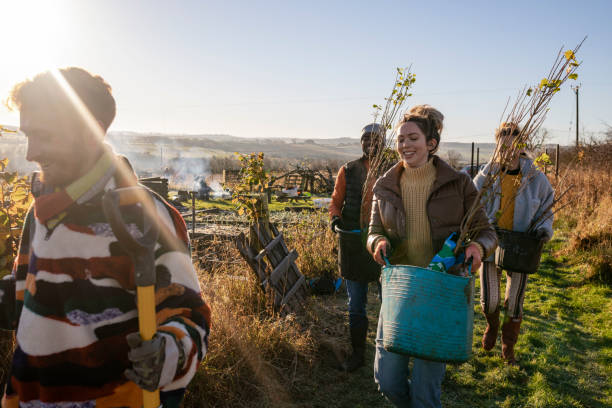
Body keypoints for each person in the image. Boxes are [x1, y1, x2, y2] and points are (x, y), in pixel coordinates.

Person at [0, 67, 210, 407]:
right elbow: (27, 294)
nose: (30, 153)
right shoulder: (40, 213)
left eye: (45, 136)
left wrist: (167, 354)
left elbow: (189, 316)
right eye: (28, 135)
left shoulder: (142, 215)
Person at [367, 105, 497, 408]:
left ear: (431, 144)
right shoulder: (384, 185)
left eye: (413, 138)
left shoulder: (458, 184)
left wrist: (477, 248)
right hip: (399, 289)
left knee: (426, 390)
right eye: (400, 140)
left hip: (440, 291)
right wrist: (377, 242)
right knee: (386, 379)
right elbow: (373, 230)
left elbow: (486, 232)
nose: (404, 145)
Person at [474, 122, 554, 365]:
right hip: (490, 242)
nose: (508, 151)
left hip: (521, 245)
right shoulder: (487, 176)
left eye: (513, 146)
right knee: (490, 299)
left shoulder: (535, 178)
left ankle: (508, 346)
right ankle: (492, 325)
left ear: (521, 148)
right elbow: (472, 201)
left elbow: (547, 207)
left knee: (515, 302)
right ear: (497, 145)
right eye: (503, 145)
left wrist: (542, 230)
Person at [329, 123, 384, 372]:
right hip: (352, 242)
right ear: (360, 142)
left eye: (375, 139)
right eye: (366, 139)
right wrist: (335, 218)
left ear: (383, 142)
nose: (370, 143)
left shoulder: (393, 170)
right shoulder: (348, 170)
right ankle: (358, 354)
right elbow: (336, 201)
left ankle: (387, 353)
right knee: (356, 303)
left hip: (385, 245)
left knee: (389, 301)